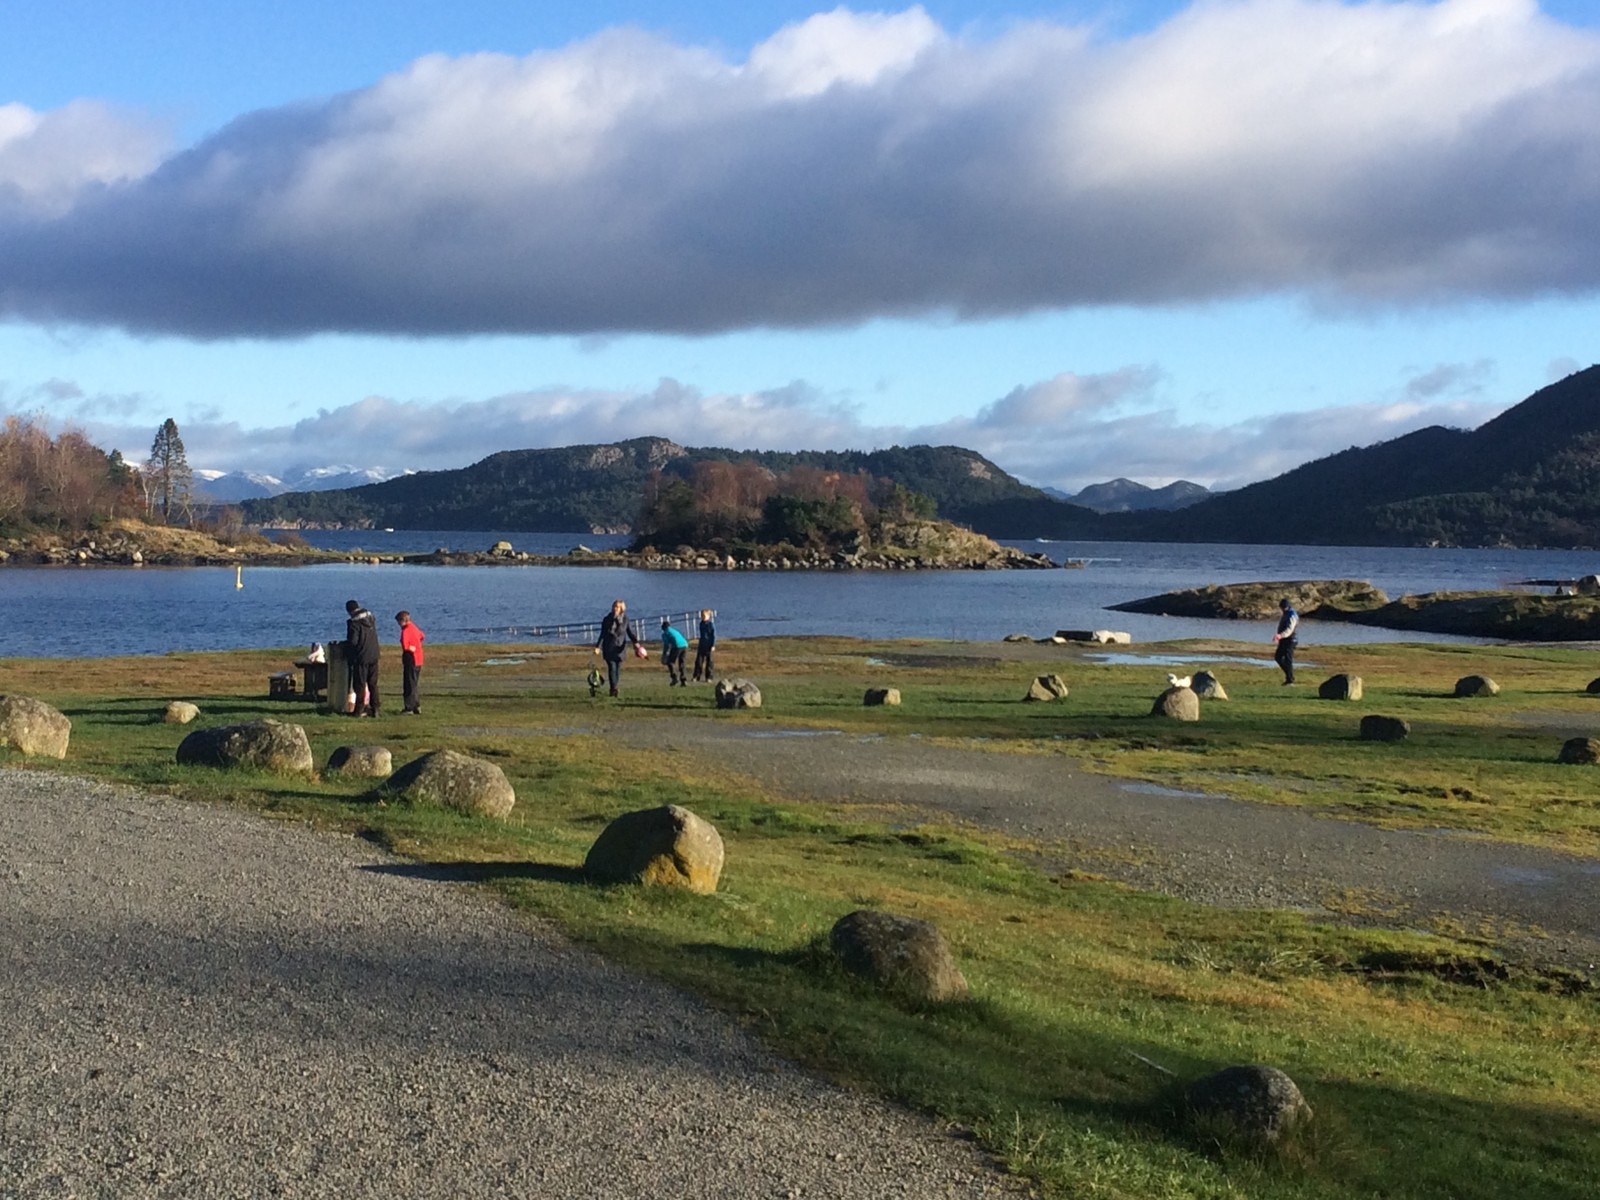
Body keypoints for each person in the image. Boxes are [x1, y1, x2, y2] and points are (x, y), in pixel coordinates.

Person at [593, 599, 641, 697]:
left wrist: (636, 643)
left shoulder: (625, 620)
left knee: (617, 669)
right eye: (614, 606)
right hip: (608, 648)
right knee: (612, 667)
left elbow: (630, 633)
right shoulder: (606, 619)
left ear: (622, 609)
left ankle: (614, 688)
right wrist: (598, 646)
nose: (615, 609)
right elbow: (602, 634)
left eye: (617, 607)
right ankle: (614, 688)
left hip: (620, 649)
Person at [344, 599, 380, 716]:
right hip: (374, 654)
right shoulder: (370, 618)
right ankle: (375, 708)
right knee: (373, 683)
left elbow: (353, 642)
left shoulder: (354, 623)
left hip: (361, 656)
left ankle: (359, 710)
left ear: (349, 611)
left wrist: (348, 649)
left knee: (359, 684)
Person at [395, 610, 424, 714]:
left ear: (403, 621)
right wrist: (416, 645)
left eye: (399, 623)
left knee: (409, 684)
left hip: (410, 658)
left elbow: (405, 645)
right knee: (414, 683)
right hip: (419, 659)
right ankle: (416, 705)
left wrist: (410, 647)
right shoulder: (414, 627)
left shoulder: (405, 631)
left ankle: (409, 707)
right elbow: (422, 636)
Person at [1272, 597, 1299, 685]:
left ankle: (1290, 679)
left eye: (1284, 607)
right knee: (1278, 657)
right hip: (1284, 640)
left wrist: (1280, 635)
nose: (1282, 609)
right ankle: (1289, 676)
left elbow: (1289, 629)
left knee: (1288, 659)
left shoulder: (1292, 615)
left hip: (1290, 640)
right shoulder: (1286, 613)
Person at [660, 618, 689, 686]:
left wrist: (664, 654)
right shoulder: (673, 630)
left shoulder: (665, 633)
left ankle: (674, 678)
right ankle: (683, 680)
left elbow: (666, 645)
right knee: (682, 662)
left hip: (677, 646)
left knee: (670, 662)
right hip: (685, 645)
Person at [692, 608, 716, 682]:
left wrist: (713, 645)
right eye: (702, 616)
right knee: (698, 661)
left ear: (709, 616)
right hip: (702, 644)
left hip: (709, 645)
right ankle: (696, 676)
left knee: (709, 662)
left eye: (704, 616)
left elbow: (713, 635)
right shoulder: (701, 624)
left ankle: (709, 677)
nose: (702, 617)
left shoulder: (710, 625)